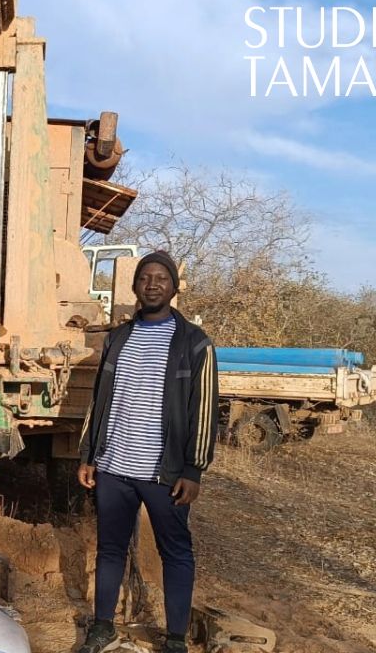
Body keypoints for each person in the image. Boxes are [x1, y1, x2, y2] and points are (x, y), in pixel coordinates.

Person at [75, 251, 219, 653]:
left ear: (173, 287)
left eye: (161, 278)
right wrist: (88, 455)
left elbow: (205, 409)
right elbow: (100, 400)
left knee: (175, 552)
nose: (152, 284)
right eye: (145, 278)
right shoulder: (118, 338)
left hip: (165, 473)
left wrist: (194, 469)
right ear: (135, 286)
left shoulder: (195, 343)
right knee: (110, 549)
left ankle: (174, 639)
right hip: (113, 467)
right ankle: (102, 627)